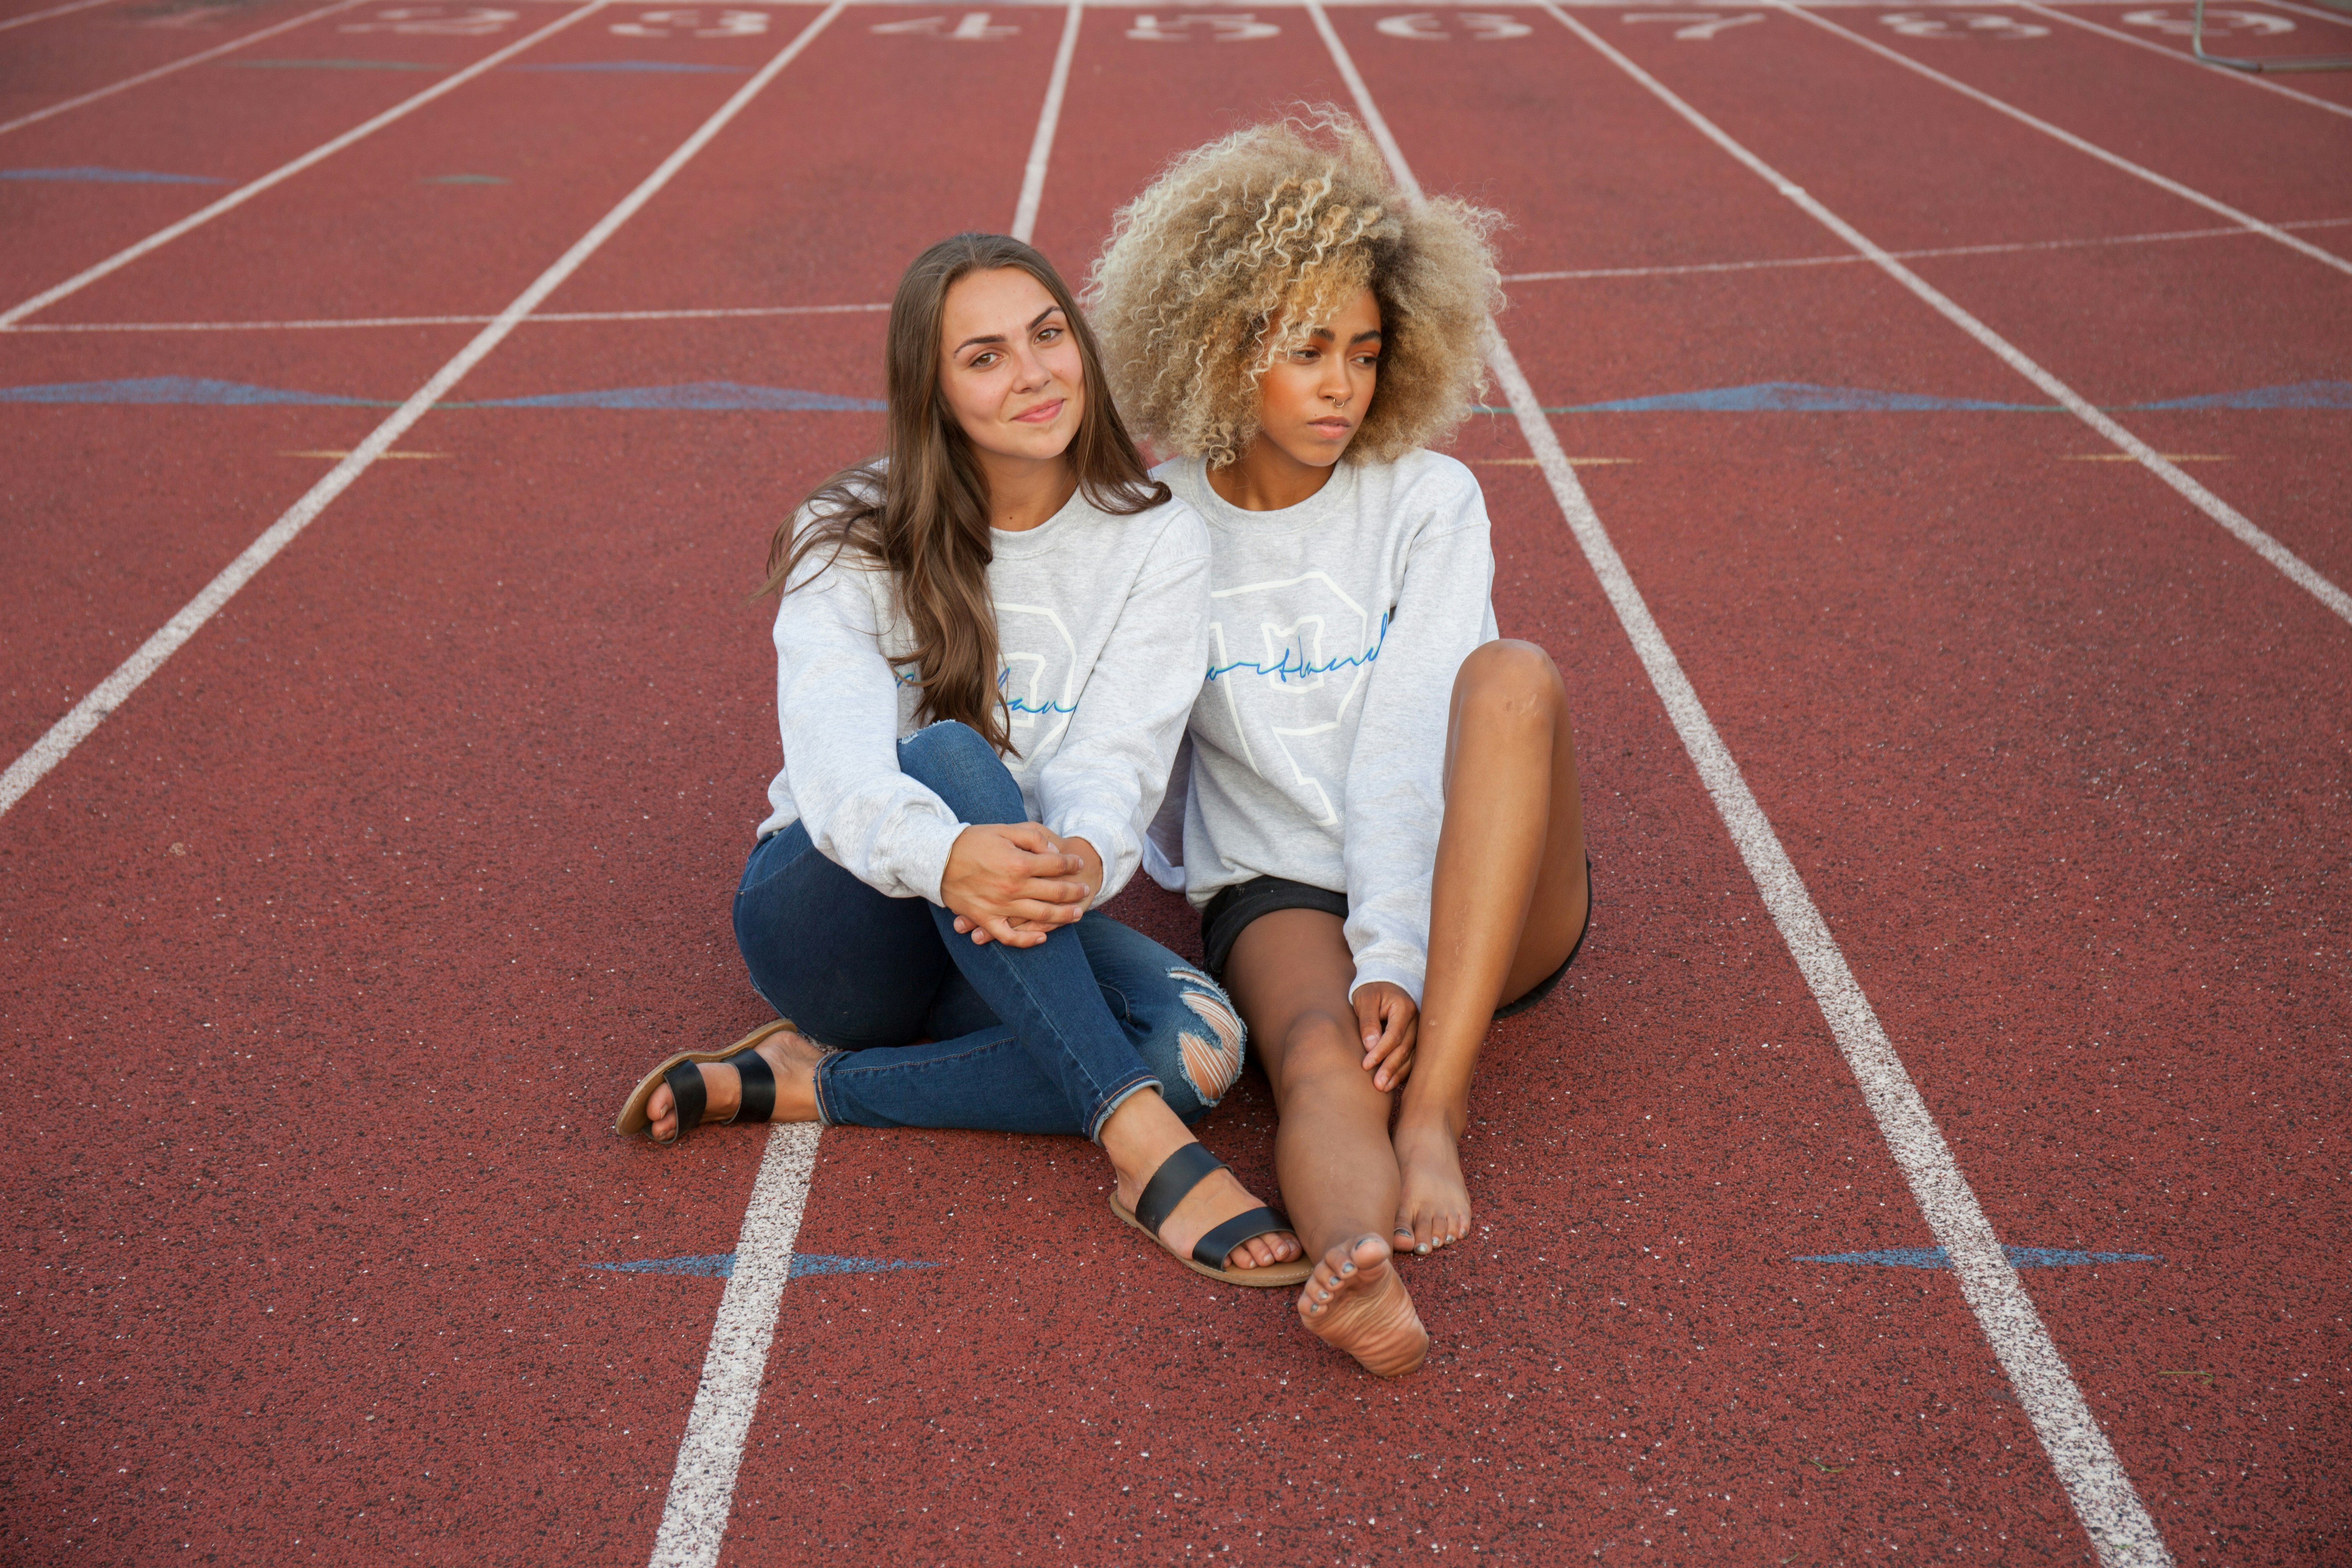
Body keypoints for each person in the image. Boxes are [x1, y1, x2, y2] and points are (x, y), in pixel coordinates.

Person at [614, 233, 1305, 1289]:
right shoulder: (849, 531)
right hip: (838, 919)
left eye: (1047, 335)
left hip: (1007, 917)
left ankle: (808, 1085)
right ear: (932, 393)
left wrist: (1084, 853)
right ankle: (1141, 1146)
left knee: (1203, 1045)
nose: (1034, 374)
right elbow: (844, 779)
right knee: (950, 757)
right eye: (985, 357)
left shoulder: (1155, 538)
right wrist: (949, 860)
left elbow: (1120, 753)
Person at [1090, 117, 1593, 1372]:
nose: (1343, 385)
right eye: (1306, 350)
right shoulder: (1164, 529)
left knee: (1515, 675)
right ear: (1219, 347)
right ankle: (1357, 1271)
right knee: (1315, 1057)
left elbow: (1413, 736)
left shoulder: (1428, 501)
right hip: (1281, 886)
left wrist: (1398, 950)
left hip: (1467, 879)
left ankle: (1438, 1108)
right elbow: (1125, 733)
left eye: (1365, 352)